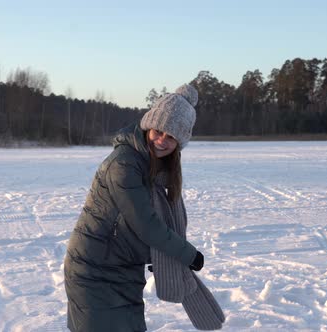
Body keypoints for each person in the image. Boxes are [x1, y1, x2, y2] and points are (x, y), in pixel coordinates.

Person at [63, 84, 219, 332]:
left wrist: (156, 256)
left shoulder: (154, 166)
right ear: (149, 125)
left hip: (123, 269)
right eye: (158, 131)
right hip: (95, 269)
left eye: (171, 137)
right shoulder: (124, 163)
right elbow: (146, 225)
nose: (162, 140)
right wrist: (187, 254)